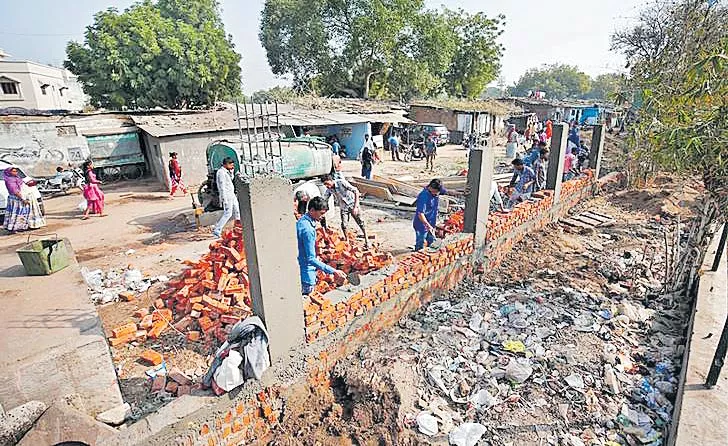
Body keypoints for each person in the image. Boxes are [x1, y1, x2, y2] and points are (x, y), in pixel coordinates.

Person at [296, 196, 347, 295]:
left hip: (299, 270)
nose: (323, 216)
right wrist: (333, 271)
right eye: (321, 213)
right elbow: (310, 259)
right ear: (312, 210)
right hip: (306, 276)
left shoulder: (302, 221)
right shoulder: (308, 230)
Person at [321, 174, 368, 247]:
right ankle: (347, 241)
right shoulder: (329, 190)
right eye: (325, 185)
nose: (326, 186)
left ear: (331, 180)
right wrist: (322, 210)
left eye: (327, 183)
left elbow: (356, 191)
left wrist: (355, 207)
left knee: (361, 222)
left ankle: (367, 240)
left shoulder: (341, 182)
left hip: (352, 204)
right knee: (344, 225)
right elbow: (325, 199)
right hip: (343, 207)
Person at [2, 166, 46, 232]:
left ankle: (30, 225)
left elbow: (23, 185)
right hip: (17, 199)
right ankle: (17, 227)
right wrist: (23, 199)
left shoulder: (17, 178)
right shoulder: (10, 180)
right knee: (19, 213)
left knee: (27, 212)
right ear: (9, 172)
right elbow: (15, 191)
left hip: (24, 196)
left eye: (16, 171)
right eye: (13, 171)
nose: (16, 172)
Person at [413, 179, 446, 251]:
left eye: (438, 192)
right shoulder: (423, 196)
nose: (437, 194)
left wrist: (460, 193)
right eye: (436, 192)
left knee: (432, 243)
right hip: (421, 225)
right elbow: (420, 214)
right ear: (431, 188)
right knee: (420, 244)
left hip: (431, 222)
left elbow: (447, 192)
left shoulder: (436, 190)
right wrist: (427, 225)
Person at [212, 157, 239, 238]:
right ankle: (217, 230)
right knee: (228, 213)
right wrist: (224, 199)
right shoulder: (221, 173)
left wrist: (232, 172)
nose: (232, 166)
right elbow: (222, 187)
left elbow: (230, 180)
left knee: (237, 211)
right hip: (227, 195)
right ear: (226, 164)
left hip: (232, 194)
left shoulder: (226, 172)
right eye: (231, 165)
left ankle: (238, 227)